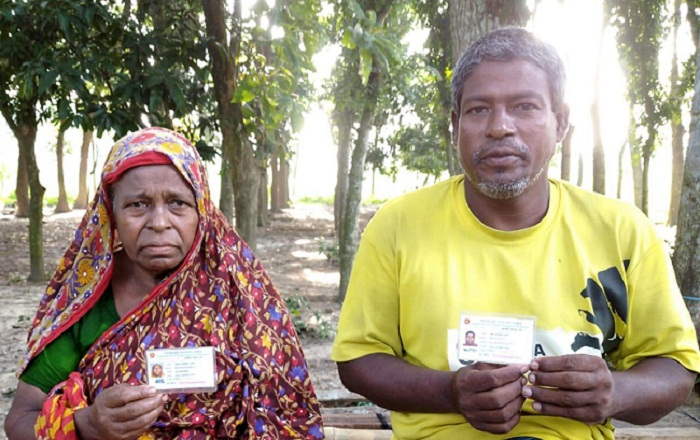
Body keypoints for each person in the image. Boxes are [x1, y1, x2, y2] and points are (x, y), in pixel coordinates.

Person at [331, 27, 700, 439]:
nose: (500, 128)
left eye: (524, 107)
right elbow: (358, 359)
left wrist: (616, 392)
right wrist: (450, 392)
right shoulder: (398, 226)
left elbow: (675, 366)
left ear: (560, 122)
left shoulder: (622, 230)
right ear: (455, 126)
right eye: (478, 110)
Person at [4, 127, 324, 439]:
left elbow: (286, 415)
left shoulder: (243, 297)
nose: (159, 223)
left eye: (177, 203)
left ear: (202, 211)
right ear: (111, 214)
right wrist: (87, 425)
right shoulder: (84, 301)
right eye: (137, 205)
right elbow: (20, 419)